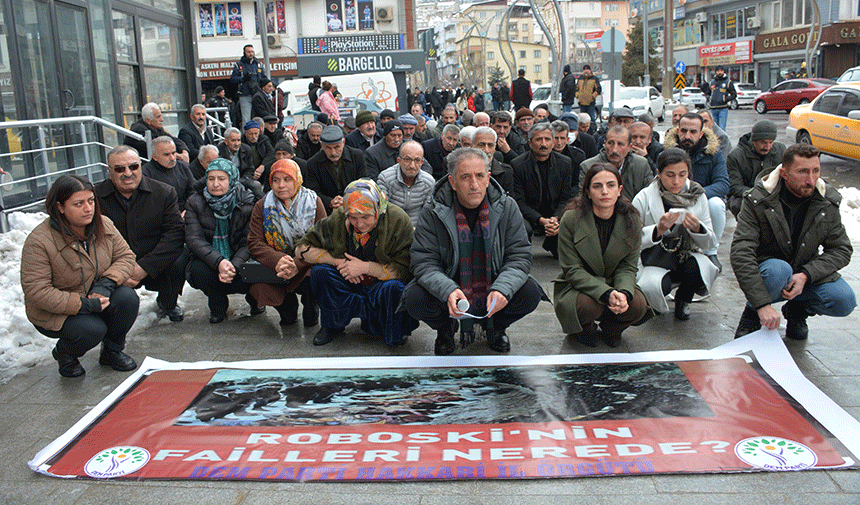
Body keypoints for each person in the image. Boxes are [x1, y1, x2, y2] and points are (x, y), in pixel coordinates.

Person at [403, 148, 544, 355]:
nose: (474, 185)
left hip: (492, 282)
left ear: (488, 178)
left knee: (530, 292)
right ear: (452, 182)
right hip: (451, 286)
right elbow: (423, 262)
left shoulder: (507, 207)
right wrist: (448, 290)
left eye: (479, 176)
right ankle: (445, 329)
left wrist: (502, 288)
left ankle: (496, 328)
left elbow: (519, 256)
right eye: (465, 177)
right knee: (413, 297)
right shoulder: (433, 211)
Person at [731, 144, 855, 340]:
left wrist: (807, 275)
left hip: (805, 272)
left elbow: (841, 249)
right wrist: (762, 305)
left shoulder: (826, 201)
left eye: (816, 171)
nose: (811, 179)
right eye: (803, 172)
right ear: (784, 173)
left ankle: (797, 310)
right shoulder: (758, 200)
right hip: (771, 272)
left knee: (844, 300)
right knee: (778, 270)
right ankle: (752, 314)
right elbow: (741, 252)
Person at [21, 175, 139, 377]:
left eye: (91, 201)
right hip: (58, 311)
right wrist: (83, 305)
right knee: (91, 329)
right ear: (60, 207)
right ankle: (65, 353)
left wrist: (107, 284)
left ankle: (112, 351)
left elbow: (126, 257)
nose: (88, 208)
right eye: (79, 203)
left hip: (97, 296)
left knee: (127, 298)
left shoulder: (104, 224)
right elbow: (37, 291)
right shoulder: (39, 241)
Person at [295, 179, 417, 346]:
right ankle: (332, 325)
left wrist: (365, 267)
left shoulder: (398, 220)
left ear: (377, 209)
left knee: (395, 288)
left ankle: (394, 328)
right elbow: (301, 248)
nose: (360, 224)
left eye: (366, 216)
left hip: (381, 283)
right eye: (353, 217)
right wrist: (339, 263)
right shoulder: (339, 217)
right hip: (348, 278)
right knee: (320, 272)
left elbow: (406, 269)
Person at [554, 163, 650, 347]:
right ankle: (583, 329)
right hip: (579, 286)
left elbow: (628, 267)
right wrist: (605, 293)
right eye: (597, 186)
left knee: (637, 304)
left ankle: (613, 328)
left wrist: (622, 292)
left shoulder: (632, 221)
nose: (604, 191)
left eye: (611, 185)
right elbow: (572, 269)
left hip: (615, 280)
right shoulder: (571, 219)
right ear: (588, 192)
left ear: (619, 190)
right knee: (588, 304)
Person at [96, 145, 188, 324]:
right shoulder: (95, 197)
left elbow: (175, 235)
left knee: (181, 257)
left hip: (153, 261)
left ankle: (167, 301)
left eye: (133, 167)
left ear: (141, 165)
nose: (128, 173)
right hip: (114, 264)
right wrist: (120, 271)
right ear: (109, 171)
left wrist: (144, 267)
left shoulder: (164, 192)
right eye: (120, 169)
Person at [632, 148, 719, 320]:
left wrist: (698, 230)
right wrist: (658, 230)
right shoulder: (644, 197)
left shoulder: (697, 195)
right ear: (658, 173)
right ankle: (651, 304)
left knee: (698, 270)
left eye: (682, 174)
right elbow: (631, 241)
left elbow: (710, 243)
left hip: (684, 255)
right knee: (656, 286)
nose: (676, 181)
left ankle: (684, 299)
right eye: (670, 175)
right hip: (654, 259)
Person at [247, 159, 326, 327]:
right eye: (275, 180)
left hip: (305, 262)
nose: (280, 185)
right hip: (276, 264)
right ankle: (286, 306)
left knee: (318, 274)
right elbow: (255, 241)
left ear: (296, 180)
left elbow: (323, 240)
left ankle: (311, 306)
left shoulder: (313, 202)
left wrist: (297, 263)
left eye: (287, 179)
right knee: (262, 287)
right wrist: (277, 260)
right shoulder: (263, 205)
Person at [185, 158, 260, 324]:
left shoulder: (248, 201)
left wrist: (234, 264)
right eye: (211, 179)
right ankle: (217, 304)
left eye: (221, 179)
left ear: (232, 179)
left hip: (240, 258)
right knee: (198, 270)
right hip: (211, 259)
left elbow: (250, 240)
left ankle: (256, 299)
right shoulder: (195, 202)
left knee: (251, 271)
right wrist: (219, 262)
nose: (215, 184)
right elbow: (194, 238)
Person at [664, 112, 729, 271]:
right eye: (684, 131)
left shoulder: (713, 153)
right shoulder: (666, 153)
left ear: (701, 134)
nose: (687, 135)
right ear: (677, 130)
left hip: (702, 201)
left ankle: (711, 251)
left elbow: (723, 184)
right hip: (672, 199)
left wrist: (696, 196)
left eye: (693, 132)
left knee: (717, 204)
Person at [511, 122, 574, 259]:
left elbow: (566, 198)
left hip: (555, 214)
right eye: (539, 139)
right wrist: (540, 220)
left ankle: (553, 242)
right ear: (530, 143)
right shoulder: (518, 165)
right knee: (523, 227)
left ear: (553, 142)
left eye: (547, 139)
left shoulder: (565, 163)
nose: (543, 144)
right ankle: (521, 256)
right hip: (529, 214)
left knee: (562, 254)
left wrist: (555, 218)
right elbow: (519, 202)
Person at [726, 119, 786, 217]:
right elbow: (735, 186)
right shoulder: (736, 156)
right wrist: (758, 195)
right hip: (746, 195)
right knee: (738, 204)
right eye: (763, 142)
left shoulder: (781, 150)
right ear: (754, 141)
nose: (767, 147)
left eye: (771, 142)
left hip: (773, 194)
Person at [580, 125, 653, 202]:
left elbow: (649, 197)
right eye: (610, 143)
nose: (614, 150)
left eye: (620, 144)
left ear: (630, 147)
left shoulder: (641, 165)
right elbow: (584, 200)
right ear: (604, 144)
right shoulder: (588, 167)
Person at [304, 125, 367, 214]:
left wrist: (347, 201)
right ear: (321, 145)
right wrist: (330, 202)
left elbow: (363, 184)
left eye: (337, 147)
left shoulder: (357, 156)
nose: (333, 152)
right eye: (328, 148)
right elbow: (313, 192)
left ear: (343, 142)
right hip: (327, 211)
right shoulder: (313, 163)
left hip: (356, 206)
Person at [376, 140, 435, 227]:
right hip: (392, 228)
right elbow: (383, 210)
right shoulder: (385, 178)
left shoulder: (429, 182)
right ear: (399, 160)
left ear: (422, 163)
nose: (412, 165)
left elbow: (427, 214)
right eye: (407, 159)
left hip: (418, 230)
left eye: (417, 160)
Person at [142, 136, 196, 212]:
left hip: (187, 211)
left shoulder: (183, 167)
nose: (172, 158)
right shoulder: (145, 174)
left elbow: (194, 190)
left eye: (174, 153)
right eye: (166, 155)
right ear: (155, 157)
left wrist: (187, 210)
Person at [124, 102, 189, 162]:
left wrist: (184, 151)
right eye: (158, 117)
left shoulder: (156, 127)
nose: (162, 120)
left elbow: (172, 139)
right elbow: (158, 150)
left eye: (161, 116)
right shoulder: (139, 130)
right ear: (148, 120)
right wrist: (178, 156)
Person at [230, 44, 268, 125]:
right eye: (248, 52)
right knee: (246, 119)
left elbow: (264, 78)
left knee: (260, 118)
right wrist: (243, 79)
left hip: (257, 94)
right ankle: (246, 136)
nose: (251, 54)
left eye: (252, 52)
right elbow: (233, 79)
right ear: (244, 52)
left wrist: (269, 85)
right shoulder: (239, 65)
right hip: (245, 94)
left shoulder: (258, 64)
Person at [471, 126, 514, 193]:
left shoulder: (506, 172)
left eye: (490, 145)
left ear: (495, 147)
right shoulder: (462, 170)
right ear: (472, 147)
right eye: (481, 145)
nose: (486, 150)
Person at [550, 120, 586, 188]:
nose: (559, 142)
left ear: (567, 140)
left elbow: (578, 182)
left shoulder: (578, 155)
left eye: (562, 138)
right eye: (556, 138)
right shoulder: (543, 155)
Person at [703, 66, 735, 131]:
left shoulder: (728, 82)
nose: (719, 72)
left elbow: (734, 95)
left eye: (721, 71)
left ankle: (722, 141)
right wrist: (708, 98)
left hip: (723, 108)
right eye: (718, 71)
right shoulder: (712, 82)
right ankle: (715, 141)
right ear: (715, 72)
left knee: (721, 128)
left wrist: (725, 99)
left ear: (723, 71)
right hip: (713, 108)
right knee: (714, 128)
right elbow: (708, 93)